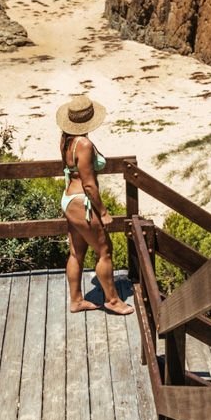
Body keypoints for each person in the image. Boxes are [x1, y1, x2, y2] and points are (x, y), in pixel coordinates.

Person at [57, 94, 133, 315]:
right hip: (83, 202)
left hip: (69, 199)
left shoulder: (66, 139)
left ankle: (76, 300)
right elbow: (89, 185)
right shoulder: (84, 144)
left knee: (76, 252)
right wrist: (104, 212)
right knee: (104, 251)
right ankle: (112, 300)